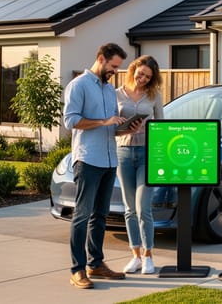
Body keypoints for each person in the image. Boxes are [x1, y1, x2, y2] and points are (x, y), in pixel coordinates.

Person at [63, 43, 139, 289]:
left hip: (109, 160)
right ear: (101, 59)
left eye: (118, 67)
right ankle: (77, 270)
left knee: (100, 215)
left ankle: (96, 264)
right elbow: (70, 121)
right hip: (88, 160)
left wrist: (125, 128)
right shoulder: (79, 86)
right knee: (82, 215)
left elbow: (108, 126)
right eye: (113, 66)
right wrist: (104, 121)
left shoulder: (109, 90)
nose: (115, 71)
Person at [115, 55, 164, 274]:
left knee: (143, 207)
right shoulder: (116, 94)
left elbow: (162, 127)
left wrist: (148, 129)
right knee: (129, 209)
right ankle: (135, 255)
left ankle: (148, 256)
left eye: (147, 77)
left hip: (147, 153)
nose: (142, 78)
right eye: (140, 73)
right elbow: (111, 127)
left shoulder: (154, 96)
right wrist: (125, 127)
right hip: (123, 152)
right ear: (133, 69)